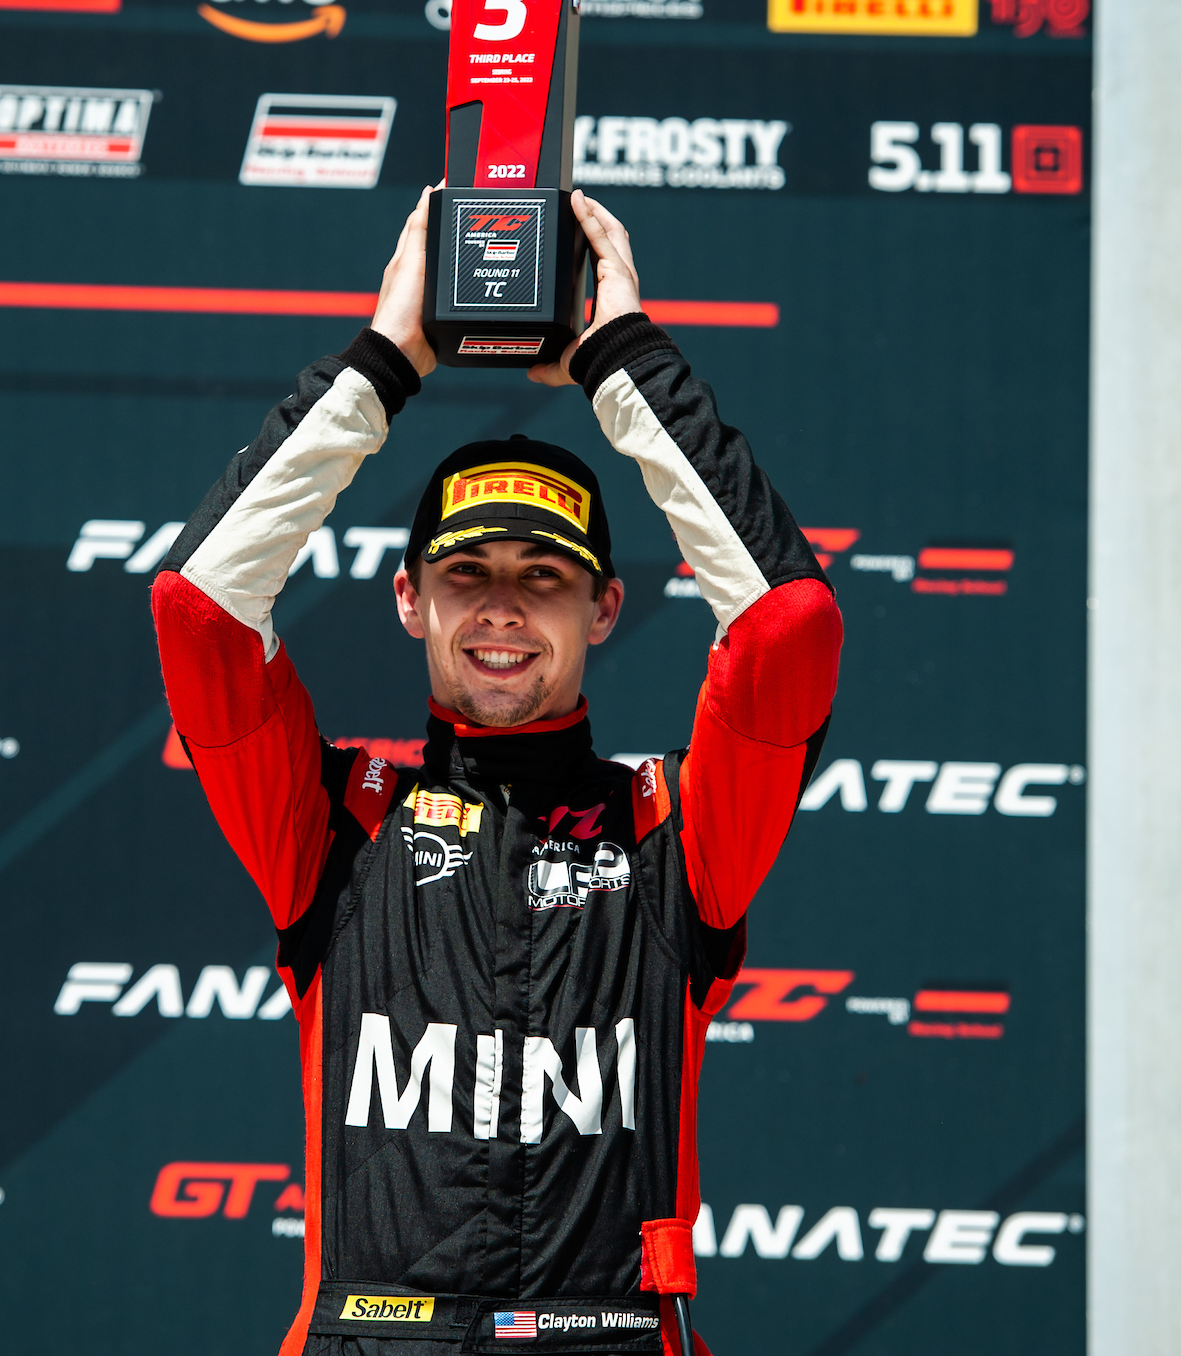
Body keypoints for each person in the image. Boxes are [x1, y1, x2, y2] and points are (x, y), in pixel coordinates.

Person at [151, 188, 842, 1356]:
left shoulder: (675, 831)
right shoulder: (334, 824)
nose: (504, 608)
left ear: (604, 607)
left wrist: (626, 366)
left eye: (544, 576)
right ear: (410, 599)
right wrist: (385, 361)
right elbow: (201, 607)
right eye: (467, 573)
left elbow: (789, 625)